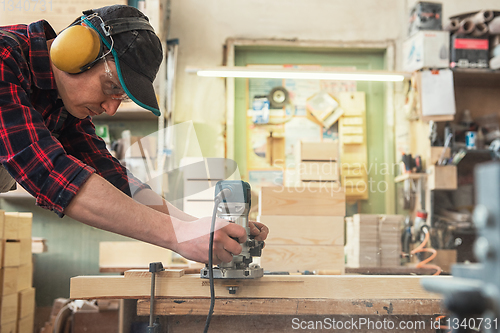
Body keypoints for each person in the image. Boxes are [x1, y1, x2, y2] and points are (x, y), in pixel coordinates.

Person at [0, 4, 268, 264]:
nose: (111, 109)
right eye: (111, 86)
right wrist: (178, 236)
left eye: (121, 98)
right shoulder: (3, 59)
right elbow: (51, 174)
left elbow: (113, 178)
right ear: (74, 52)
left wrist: (199, 227)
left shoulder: (64, 101)